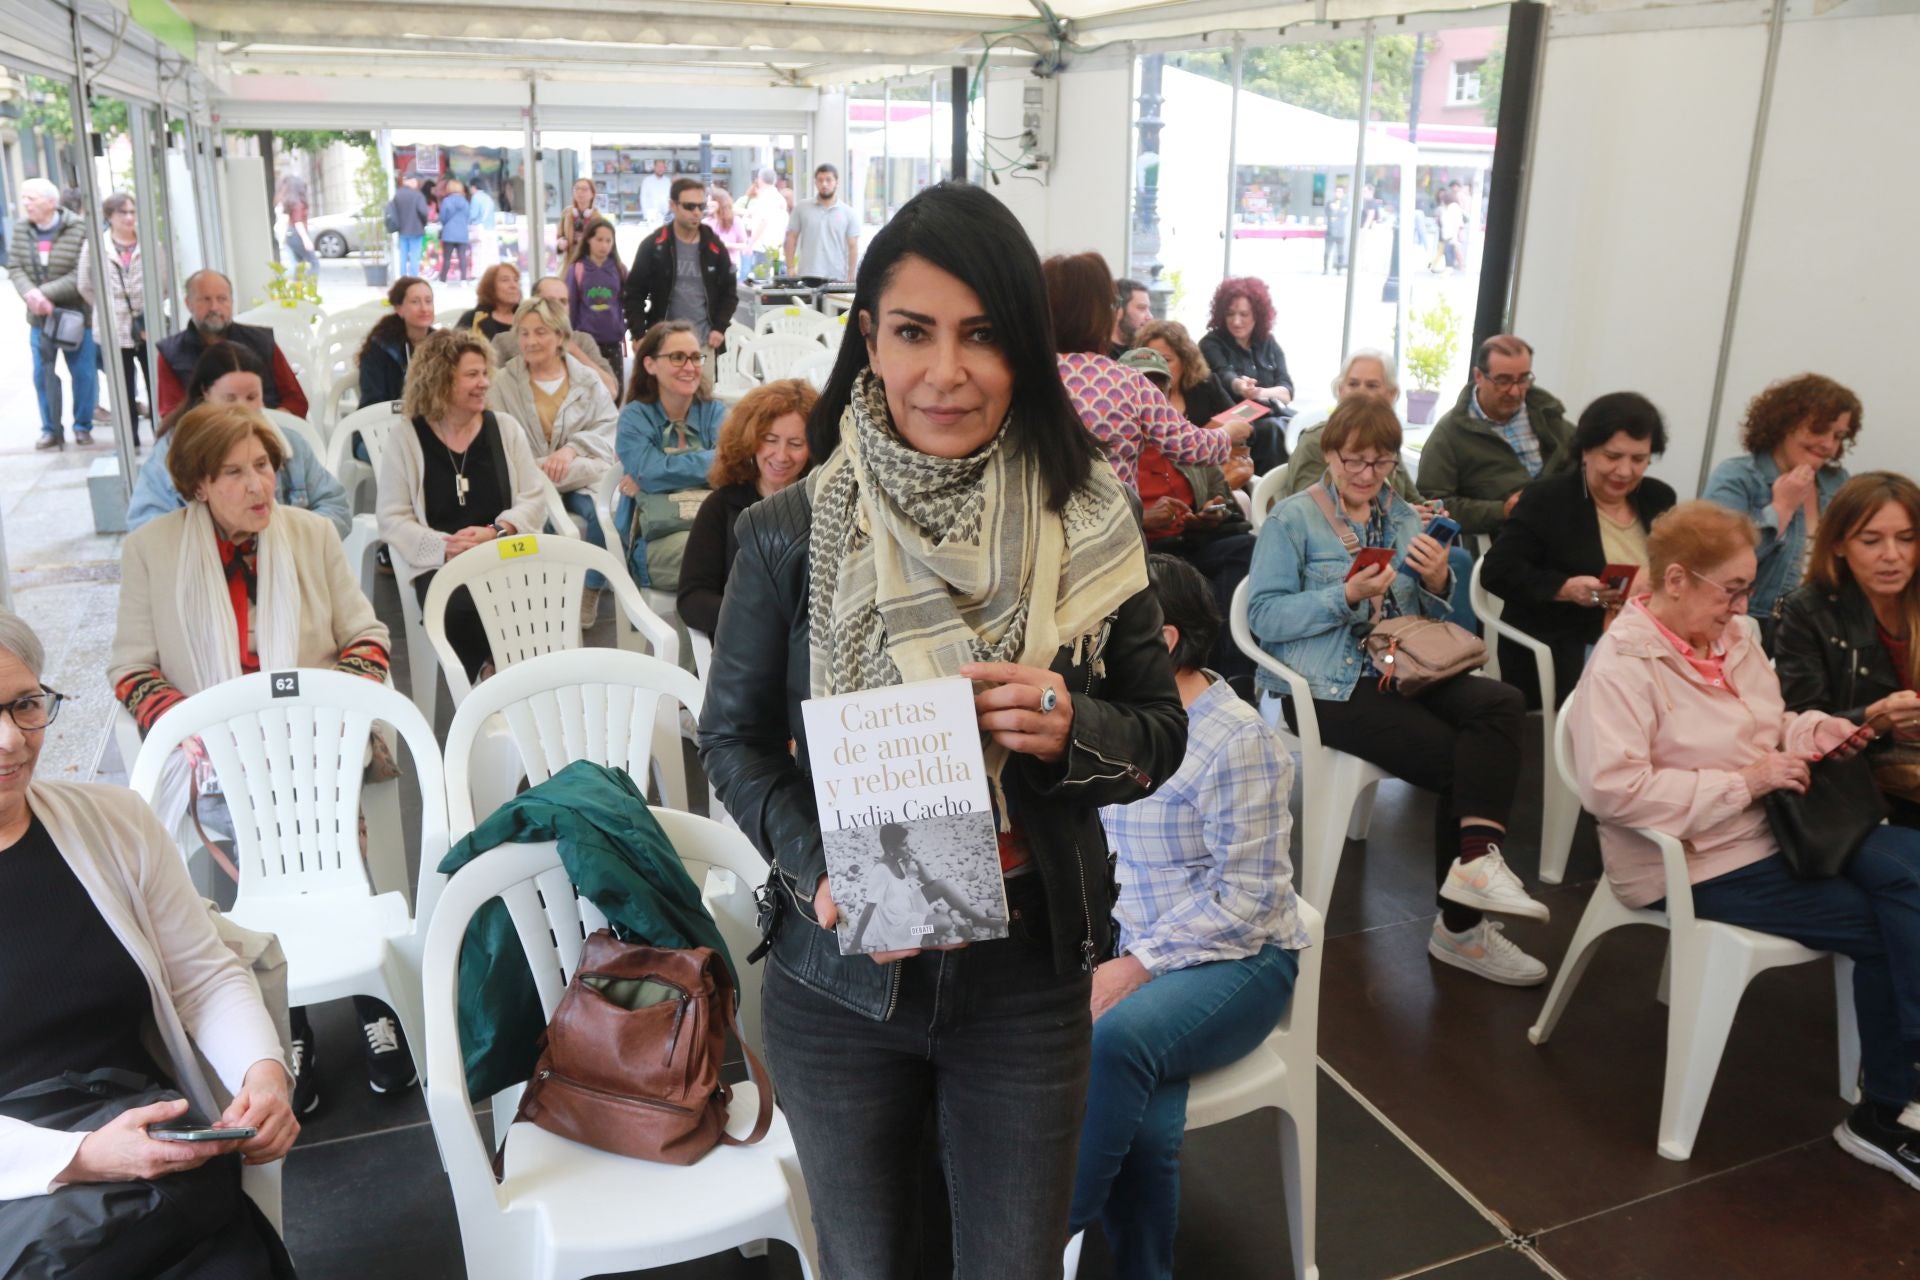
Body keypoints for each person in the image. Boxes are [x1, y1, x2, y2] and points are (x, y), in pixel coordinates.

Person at [700, 180, 1186, 1278]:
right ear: (868, 338)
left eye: (983, 336)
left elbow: (1159, 731)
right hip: (842, 972)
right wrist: (819, 862)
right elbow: (727, 739)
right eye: (914, 332)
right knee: (869, 1261)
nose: (946, 371)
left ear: (1026, 351)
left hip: (1028, 971)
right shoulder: (789, 531)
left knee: (1012, 1263)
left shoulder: (1090, 519)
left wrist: (1072, 725)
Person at [1564, 500, 1920, 1190]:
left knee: (1909, 867)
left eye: (1746, 587)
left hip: (1774, 828)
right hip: (1694, 859)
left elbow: (1771, 722)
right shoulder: (1624, 664)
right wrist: (1745, 783)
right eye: (1731, 589)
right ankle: (1884, 1112)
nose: (1742, 604)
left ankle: (1900, 1089)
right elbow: (1613, 791)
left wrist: (1842, 729)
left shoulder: (1733, 639)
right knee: (1887, 920)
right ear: (1676, 580)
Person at [109, 401, 398, 1112]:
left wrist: (331, 713)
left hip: (317, 755)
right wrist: (198, 729)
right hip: (220, 763)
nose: (258, 486)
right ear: (198, 484)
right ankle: (287, 1017)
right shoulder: (151, 550)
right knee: (257, 885)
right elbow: (131, 669)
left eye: (264, 467)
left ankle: (374, 1004)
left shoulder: (309, 534)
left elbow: (367, 637)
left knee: (337, 866)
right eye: (235, 472)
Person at [0, 611, 301, 1270]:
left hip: (153, 1159)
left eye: (24, 705)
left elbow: (202, 977)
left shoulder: (112, 825)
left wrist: (265, 1074)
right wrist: (82, 1157)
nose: (12, 742)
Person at [1249, 396, 1548, 984]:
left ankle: (1473, 871)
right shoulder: (1293, 520)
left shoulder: (1402, 514)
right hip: (1324, 686)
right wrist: (1346, 596)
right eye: (1354, 461)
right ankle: (1461, 927)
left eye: (1381, 462)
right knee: (1458, 757)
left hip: (1401, 665)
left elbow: (1419, 608)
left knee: (1500, 703)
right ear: (1329, 453)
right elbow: (1263, 618)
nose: (1366, 475)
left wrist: (1439, 579)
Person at [1072, 553, 1309, 1278]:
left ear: (1163, 640)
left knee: (1115, 1043)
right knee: (1138, 1109)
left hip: (1242, 961)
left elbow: (1248, 902)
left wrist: (1134, 967)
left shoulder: (1238, 741)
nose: (1083, 644)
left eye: (1102, 629)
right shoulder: (1123, 722)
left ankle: (1042, 1229)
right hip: (1139, 946)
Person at [1482, 391, 1678, 708]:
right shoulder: (1547, 499)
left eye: (1639, 459)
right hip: (1571, 640)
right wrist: (1566, 588)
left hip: (1647, 638)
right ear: (1586, 450)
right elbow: (1497, 572)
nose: (1625, 472)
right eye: (1613, 457)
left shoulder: (1659, 498)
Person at [377, 330, 546, 682]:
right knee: (459, 608)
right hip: (442, 561)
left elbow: (533, 497)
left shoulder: (505, 429)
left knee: (533, 599)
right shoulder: (407, 437)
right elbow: (392, 516)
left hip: (502, 551)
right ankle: (490, 676)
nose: (484, 383)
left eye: (485, 373)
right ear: (440, 379)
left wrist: (495, 531)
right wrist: (443, 547)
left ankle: (500, 678)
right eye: (472, 375)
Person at [1776, 472, 1920, 827]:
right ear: (1839, 544)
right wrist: (1876, 717)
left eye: (1907, 539)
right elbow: (1801, 725)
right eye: (1871, 541)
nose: (1892, 555)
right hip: (1854, 792)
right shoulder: (1807, 610)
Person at [1045, 252, 1246, 489]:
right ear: (1100, 314)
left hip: (1037, 521)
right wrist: (1228, 432)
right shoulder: (1128, 382)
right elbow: (1191, 446)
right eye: (1112, 305)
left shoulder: (1024, 378)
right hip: (1113, 521)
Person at [1118, 347, 1256, 690]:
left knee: (1245, 547)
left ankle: (1234, 675)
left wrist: (1211, 512)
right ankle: (1193, 681)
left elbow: (1221, 495)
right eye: (1141, 387)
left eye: (1158, 389)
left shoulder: (1186, 438)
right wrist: (1145, 519)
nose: (1150, 397)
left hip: (1192, 540)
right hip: (1143, 550)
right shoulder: (1111, 449)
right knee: (1181, 580)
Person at [487, 296, 620, 626]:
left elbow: (608, 428)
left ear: (560, 336)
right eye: (524, 333)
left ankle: (589, 590)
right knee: (540, 518)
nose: (531, 341)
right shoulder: (503, 382)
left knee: (605, 513)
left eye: (541, 332)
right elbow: (494, 432)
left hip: (578, 472)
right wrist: (539, 465)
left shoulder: (587, 381)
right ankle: (545, 597)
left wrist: (571, 449)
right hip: (529, 475)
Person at [129, 342, 351, 536]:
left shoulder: (290, 444)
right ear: (205, 394)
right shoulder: (174, 451)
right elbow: (145, 526)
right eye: (230, 399)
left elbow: (336, 506)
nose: (242, 408)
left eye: (252, 397)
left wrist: (287, 540)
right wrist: (216, 549)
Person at [1702, 372, 1862, 638]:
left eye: (1838, 436)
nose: (1828, 445)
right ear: (1784, 424)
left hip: (1822, 629)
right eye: (1819, 429)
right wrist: (1781, 509)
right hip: (1751, 625)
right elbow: (1715, 564)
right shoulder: (1737, 477)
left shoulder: (1838, 483)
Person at [675, 378, 816, 637]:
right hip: (742, 647)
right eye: (770, 439)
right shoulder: (721, 506)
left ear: (814, 448)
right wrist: (755, 618)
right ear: (750, 438)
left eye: (796, 444)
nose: (781, 455)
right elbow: (691, 599)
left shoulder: (824, 504)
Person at [1415, 334, 1574, 537]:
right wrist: (1501, 511)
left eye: (1523, 379)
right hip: (1507, 536)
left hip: (1565, 525)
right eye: (1503, 380)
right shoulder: (1450, 433)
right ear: (1479, 376)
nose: (1515, 391)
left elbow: (1586, 462)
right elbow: (1433, 505)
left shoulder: (1547, 414)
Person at [613, 320, 726, 592]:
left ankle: (707, 634)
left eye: (695, 357)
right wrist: (706, 463)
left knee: (746, 554)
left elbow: (731, 467)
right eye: (677, 357)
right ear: (650, 365)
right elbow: (648, 472)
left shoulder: (714, 411)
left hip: (712, 526)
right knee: (726, 560)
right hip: (656, 538)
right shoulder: (635, 417)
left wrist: (661, 473)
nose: (689, 367)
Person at [9, 177, 100, 450]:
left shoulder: (78, 228)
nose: (25, 204)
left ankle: (83, 426)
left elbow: (82, 272)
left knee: (83, 373)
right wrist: (32, 294)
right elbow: (15, 267)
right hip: (39, 318)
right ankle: (51, 429)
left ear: (51, 202)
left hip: (74, 314)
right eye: (24, 198)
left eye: (31, 198)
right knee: (42, 373)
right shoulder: (22, 229)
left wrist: (45, 293)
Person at [156, 270, 309, 421]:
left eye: (222, 299)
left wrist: (270, 426)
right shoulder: (171, 353)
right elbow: (172, 416)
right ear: (188, 303)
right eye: (205, 299)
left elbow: (296, 400)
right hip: (205, 439)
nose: (214, 307)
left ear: (232, 302)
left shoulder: (262, 341)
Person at [1283, 351, 1419, 501]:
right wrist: (1401, 515)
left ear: (1391, 394)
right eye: (1353, 384)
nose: (1360, 392)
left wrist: (1428, 511)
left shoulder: (1386, 439)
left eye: (1371, 386)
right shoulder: (1316, 441)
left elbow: (1414, 499)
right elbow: (1307, 511)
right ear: (1341, 391)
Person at [625, 177, 737, 358]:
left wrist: (719, 327)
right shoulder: (654, 245)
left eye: (701, 207)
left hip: (703, 344)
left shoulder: (714, 247)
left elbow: (730, 292)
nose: (696, 213)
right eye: (689, 206)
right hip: (663, 345)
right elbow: (633, 292)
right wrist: (639, 334)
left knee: (703, 388)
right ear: (673, 206)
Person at [76, 191, 150, 443]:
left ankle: (163, 435)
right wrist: (107, 307)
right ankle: (130, 439)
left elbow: (161, 281)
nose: (129, 217)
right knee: (122, 385)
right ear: (110, 216)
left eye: (132, 212)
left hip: (144, 323)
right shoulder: (97, 246)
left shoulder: (147, 242)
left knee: (155, 380)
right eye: (123, 212)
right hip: (114, 326)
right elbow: (85, 284)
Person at [1197, 277, 1291, 474]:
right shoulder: (1211, 343)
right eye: (1230, 314)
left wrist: (1261, 393)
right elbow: (1224, 374)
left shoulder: (1267, 342)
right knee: (1273, 429)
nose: (1236, 321)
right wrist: (1241, 386)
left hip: (1271, 412)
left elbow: (1287, 391)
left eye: (1244, 314)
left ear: (1257, 315)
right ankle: (1270, 489)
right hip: (1234, 417)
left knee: (1305, 427)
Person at [492, 274, 619, 400]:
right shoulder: (505, 341)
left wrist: (575, 352)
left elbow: (611, 391)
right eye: (551, 301)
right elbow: (490, 393)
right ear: (534, 303)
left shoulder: (583, 341)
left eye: (563, 301)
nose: (558, 308)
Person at [566, 216, 628, 389]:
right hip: (586, 344)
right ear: (588, 240)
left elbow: (627, 302)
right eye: (599, 240)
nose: (604, 245)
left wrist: (623, 327)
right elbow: (570, 306)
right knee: (589, 390)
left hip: (612, 341)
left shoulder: (619, 269)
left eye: (608, 240)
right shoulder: (577, 269)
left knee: (615, 389)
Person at [786, 163, 859, 281]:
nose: (824, 184)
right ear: (815, 182)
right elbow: (791, 237)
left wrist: (851, 273)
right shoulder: (802, 207)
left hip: (837, 275)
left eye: (829, 180)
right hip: (807, 273)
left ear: (837, 182)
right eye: (820, 180)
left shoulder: (848, 213)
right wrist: (790, 267)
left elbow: (853, 246)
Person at [455, 262, 522, 341]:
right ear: (490, 287)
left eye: (516, 280)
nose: (513, 286)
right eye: (505, 280)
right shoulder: (472, 318)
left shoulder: (526, 317)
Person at [745, 166, 789, 276]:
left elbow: (763, 222)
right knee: (775, 282)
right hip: (777, 247)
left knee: (761, 281)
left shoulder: (765, 198)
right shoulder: (780, 198)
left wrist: (750, 244)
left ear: (759, 179)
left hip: (763, 247)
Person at [706, 187, 754, 283]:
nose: (708, 204)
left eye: (712, 200)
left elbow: (744, 244)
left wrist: (726, 245)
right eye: (708, 200)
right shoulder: (705, 222)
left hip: (729, 265)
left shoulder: (735, 221)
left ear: (721, 202)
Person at [389, 175, 431, 279]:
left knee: (403, 255)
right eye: (416, 181)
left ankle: (403, 277)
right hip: (416, 230)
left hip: (402, 230)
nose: (417, 183)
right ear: (412, 182)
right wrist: (424, 223)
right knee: (414, 255)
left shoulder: (397, 195)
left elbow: (393, 212)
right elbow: (424, 212)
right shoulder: (418, 195)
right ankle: (414, 277)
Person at [275, 170, 318, 272]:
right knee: (314, 263)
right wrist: (306, 239)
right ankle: (311, 286)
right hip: (296, 234)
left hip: (290, 235)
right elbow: (298, 222)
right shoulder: (298, 203)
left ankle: (297, 287)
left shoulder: (288, 202)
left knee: (297, 265)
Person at [554, 176, 599, 266]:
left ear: (592, 194)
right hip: (568, 261)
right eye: (576, 189)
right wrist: (560, 243)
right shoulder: (567, 213)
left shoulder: (597, 218)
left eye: (584, 189)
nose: (579, 192)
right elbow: (559, 236)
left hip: (589, 262)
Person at [436, 179, 471, 284]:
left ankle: (443, 280)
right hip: (462, 233)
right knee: (462, 257)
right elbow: (468, 216)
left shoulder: (446, 201)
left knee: (447, 258)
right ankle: (463, 280)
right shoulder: (465, 202)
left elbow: (443, 218)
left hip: (449, 233)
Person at [1111, 277, 1152, 356]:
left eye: (1148, 309)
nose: (1150, 316)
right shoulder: (1099, 356)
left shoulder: (1146, 353)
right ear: (1118, 310)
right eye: (1142, 308)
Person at [466, 181, 498, 270]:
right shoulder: (488, 197)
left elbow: (473, 215)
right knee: (489, 253)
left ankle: (479, 272)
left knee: (478, 252)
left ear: (474, 187)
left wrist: (466, 221)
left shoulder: (476, 197)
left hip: (480, 229)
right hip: (491, 228)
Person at [639, 159, 674, 227]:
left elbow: (670, 198)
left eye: (662, 167)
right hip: (651, 217)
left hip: (665, 217)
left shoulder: (668, 181)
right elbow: (643, 199)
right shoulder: (647, 181)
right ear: (654, 167)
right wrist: (645, 215)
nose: (660, 169)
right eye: (658, 166)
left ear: (665, 168)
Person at [1324, 185, 1349, 275]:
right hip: (1330, 231)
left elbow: (1344, 214)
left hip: (1340, 232)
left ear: (1343, 194)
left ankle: (1339, 269)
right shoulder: (1329, 203)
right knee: (1327, 251)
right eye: (1337, 191)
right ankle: (1325, 269)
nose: (1338, 193)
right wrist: (1333, 213)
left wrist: (1336, 212)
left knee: (1340, 252)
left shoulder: (1345, 203)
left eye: (1340, 192)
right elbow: (1327, 212)